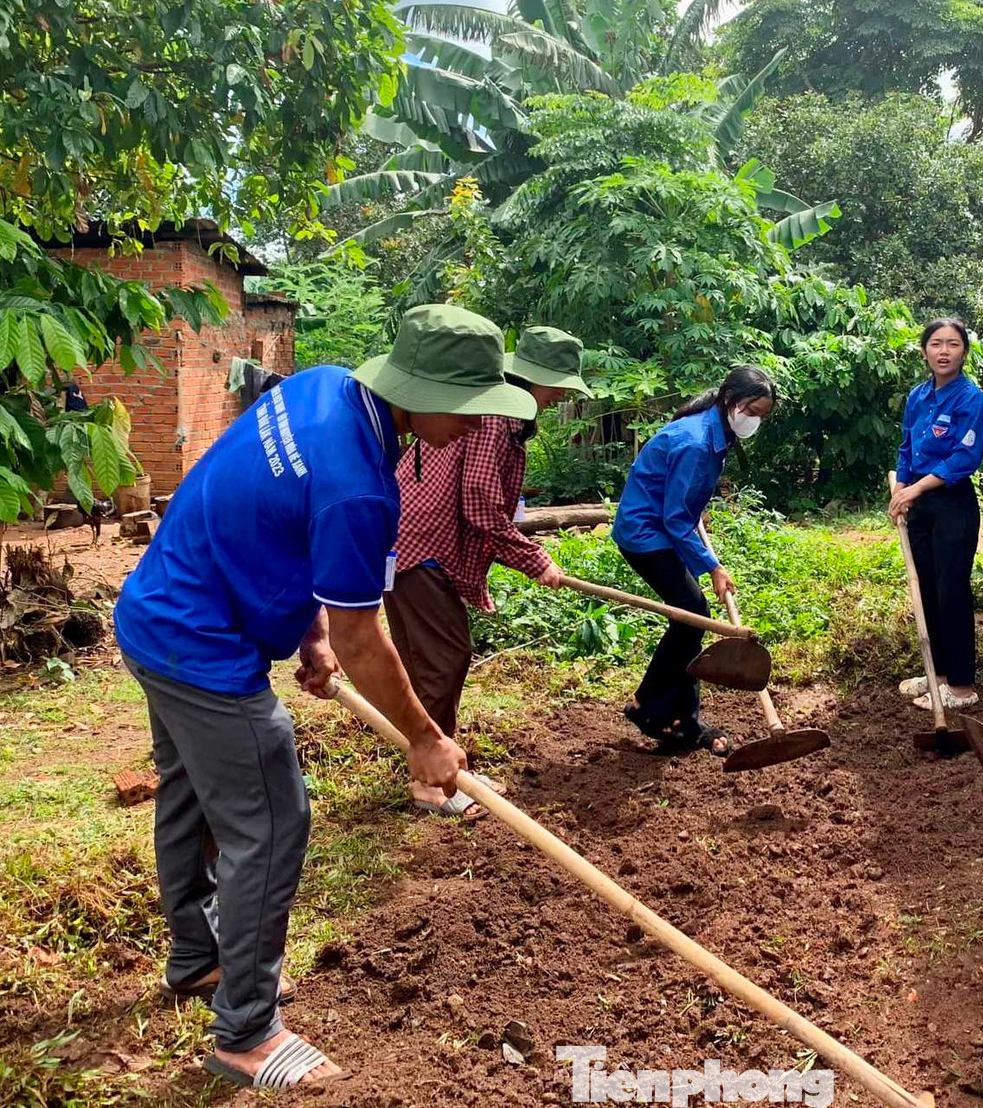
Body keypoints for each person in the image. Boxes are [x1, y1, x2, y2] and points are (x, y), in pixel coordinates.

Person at [113, 305, 536, 1088]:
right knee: (272, 823)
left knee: (190, 801)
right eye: (472, 407)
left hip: (155, 613)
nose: (481, 424)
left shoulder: (323, 389)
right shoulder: (360, 489)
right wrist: (423, 736)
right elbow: (365, 638)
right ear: (425, 391)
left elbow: (281, 525)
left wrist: (306, 634)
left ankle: (198, 960)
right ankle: (247, 1033)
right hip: (204, 648)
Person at [386, 326, 591, 815]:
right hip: (421, 545)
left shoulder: (493, 414)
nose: (561, 394)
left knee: (422, 659)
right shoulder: (497, 417)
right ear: (530, 380)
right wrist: (534, 558)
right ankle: (431, 784)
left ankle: (431, 764)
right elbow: (479, 505)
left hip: (399, 538)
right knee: (446, 657)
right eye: (557, 384)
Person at [611, 366, 777, 756]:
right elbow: (673, 518)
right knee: (692, 615)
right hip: (645, 534)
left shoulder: (715, 431)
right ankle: (648, 704)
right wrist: (713, 568)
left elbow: (681, 504)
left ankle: (679, 717)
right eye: (751, 410)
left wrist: (693, 512)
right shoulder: (695, 441)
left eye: (761, 416)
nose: (754, 420)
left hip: (661, 526)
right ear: (730, 401)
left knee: (689, 618)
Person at [888, 318, 983, 709]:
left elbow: (964, 459)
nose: (944, 351)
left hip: (952, 505)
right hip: (919, 505)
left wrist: (915, 487)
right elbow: (906, 446)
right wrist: (901, 490)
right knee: (927, 589)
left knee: (952, 592)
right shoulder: (918, 396)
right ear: (924, 351)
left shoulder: (971, 400)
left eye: (952, 344)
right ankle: (939, 677)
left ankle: (962, 687)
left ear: (964, 352)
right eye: (936, 344)